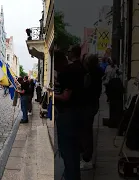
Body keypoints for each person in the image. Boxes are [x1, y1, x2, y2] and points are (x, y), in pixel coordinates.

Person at [55, 46, 85, 180]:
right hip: (78, 113)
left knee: (68, 151)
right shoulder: (79, 68)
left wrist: (52, 95)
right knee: (73, 150)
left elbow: (66, 97)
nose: (55, 69)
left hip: (68, 115)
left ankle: (70, 175)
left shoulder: (67, 73)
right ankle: (72, 174)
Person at [80, 54, 104, 170]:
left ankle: (87, 159)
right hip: (93, 104)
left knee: (86, 131)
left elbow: (85, 88)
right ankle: (86, 155)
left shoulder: (91, 75)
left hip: (88, 104)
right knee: (87, 130)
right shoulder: (97, 73)